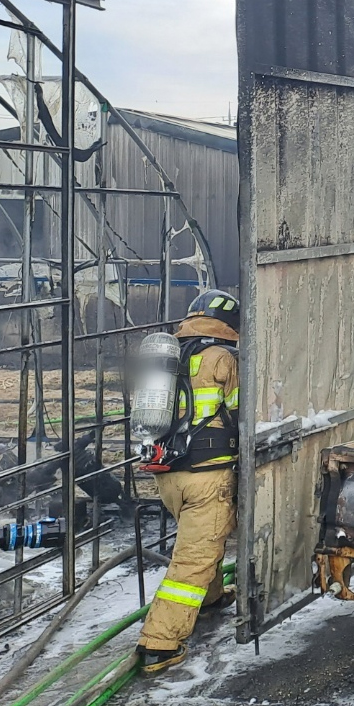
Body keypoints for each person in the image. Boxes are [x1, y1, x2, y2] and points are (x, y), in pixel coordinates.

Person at [136, 290, 241, 676]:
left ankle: (211, 598)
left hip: (170, 477)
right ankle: (159, 644)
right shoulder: (222, 358)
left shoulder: (169, 355)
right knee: (191, 562)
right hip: (207, 475)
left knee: (201, 541)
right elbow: (244, 414)